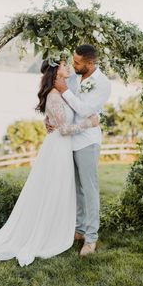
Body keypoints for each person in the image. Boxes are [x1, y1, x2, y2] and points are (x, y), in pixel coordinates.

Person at [0, 58, 99, 267]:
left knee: (60, 190)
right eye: (64, 65)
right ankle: (48, 233)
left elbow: (60, 118)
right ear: (56, 74)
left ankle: (57, 228)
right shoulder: (55, 96)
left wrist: (51, 120)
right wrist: (89, 123)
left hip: (61, 148)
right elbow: (64, 129)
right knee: (54, 190)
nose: (68, 67)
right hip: (58, 148)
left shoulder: (61, 92)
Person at [45, 44, 111, 256]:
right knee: (76, 189)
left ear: (90, 64)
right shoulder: (74, 77)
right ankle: (80, 229)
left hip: (87, 141)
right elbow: (62, 105)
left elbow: (85, 110)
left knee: (89, 189)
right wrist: (50, 119)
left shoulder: (102, 83)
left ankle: (91, 238)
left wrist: (65, 91)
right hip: (68, 140)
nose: (73, 66)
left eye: (77, 63)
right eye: (73, 62)